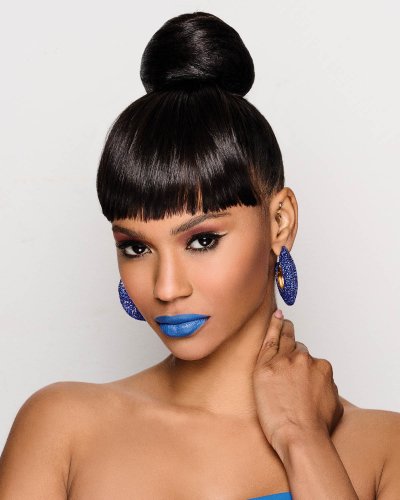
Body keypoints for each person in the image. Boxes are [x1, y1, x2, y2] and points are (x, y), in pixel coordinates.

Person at [0, 11, 399, 500]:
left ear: (280, 222)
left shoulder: (385, 450)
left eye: (202, 240)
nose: (167, 287)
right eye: (136, 247)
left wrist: (302, 438)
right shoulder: (61, 430)